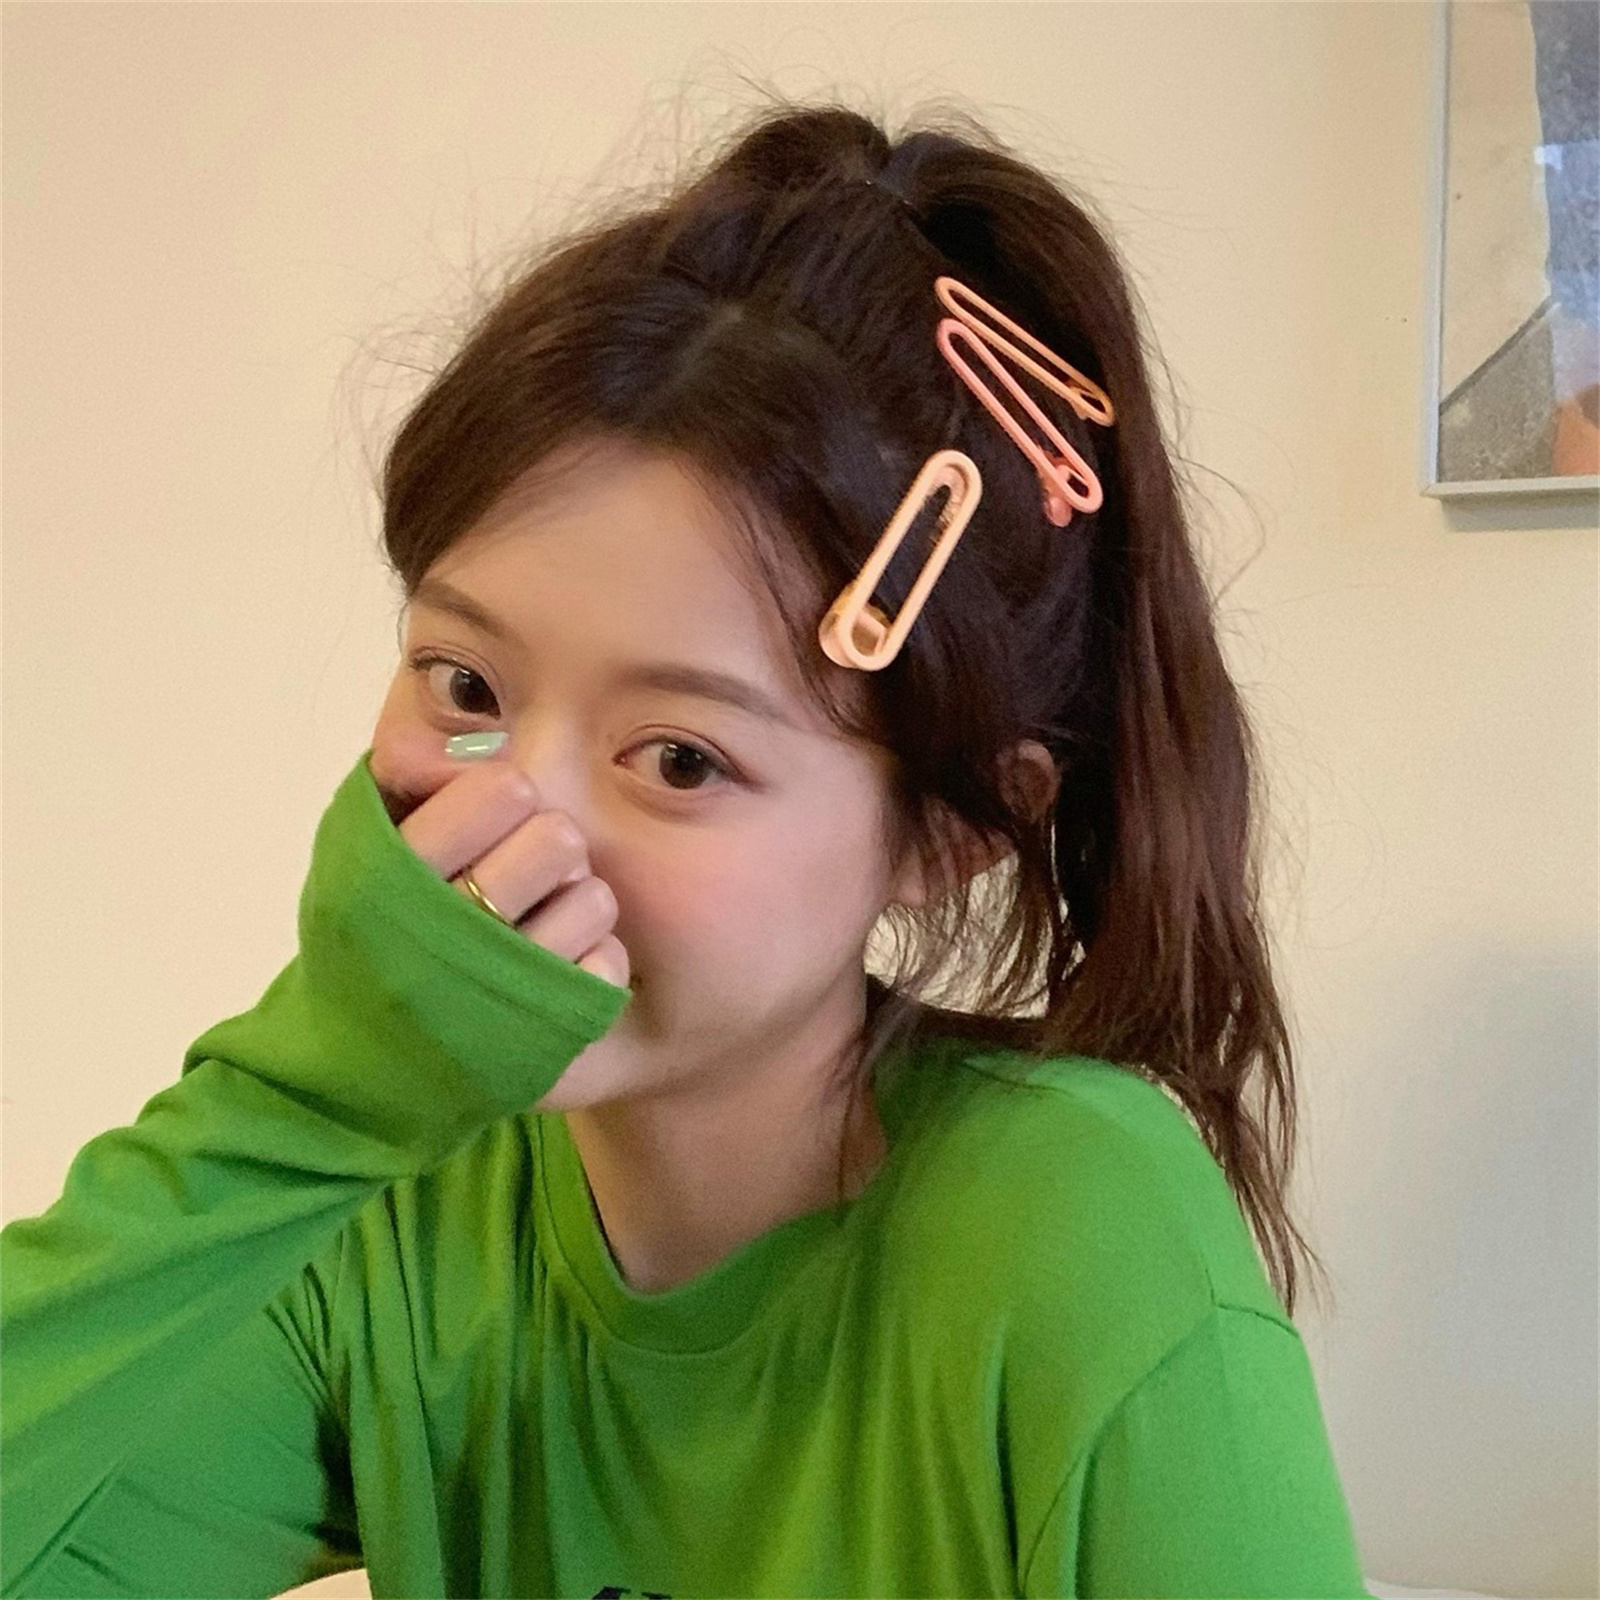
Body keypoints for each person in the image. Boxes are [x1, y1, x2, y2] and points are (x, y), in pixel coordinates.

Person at [0, 98, 1374, 1598]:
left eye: (681, 760)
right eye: (465, 685)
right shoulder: (380, 1197)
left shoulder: (1081, 1235)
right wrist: (317, 1089)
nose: (518, 816)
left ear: (955, 833)